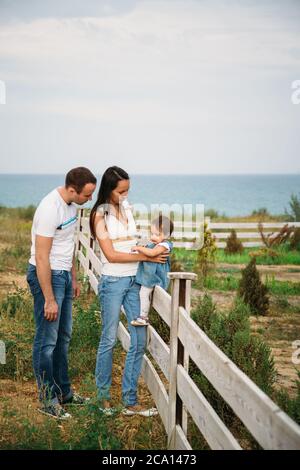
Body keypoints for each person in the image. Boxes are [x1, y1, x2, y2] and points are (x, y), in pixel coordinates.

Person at [90, 166, 168, 417]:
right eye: (121, 191)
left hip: (135, 281)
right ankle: (103, 397)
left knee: (138, 340)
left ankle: (129, 400)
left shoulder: (128, 209)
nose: (125, 195)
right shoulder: (99, 216)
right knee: (109, 339)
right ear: (109, 189)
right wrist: (142, 255)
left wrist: (152, 249)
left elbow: (133, 241)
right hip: (113, 281)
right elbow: (110, 254)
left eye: (127, 190)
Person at [26, 167, 97, 419]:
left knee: (63, 337)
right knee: (46, 342)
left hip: (63, 276)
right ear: (71, 189)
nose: (89, 199)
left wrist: (73, 278)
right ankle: (47, 400)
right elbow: (42, 257)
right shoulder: (50, 208)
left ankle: (64, 393)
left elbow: (68, 244)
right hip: (47, 277)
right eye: (87, 195)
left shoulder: (71, 206)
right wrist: (49, 298)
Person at [130, 215, 173, 326]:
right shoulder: (154, 244)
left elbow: (152, 253)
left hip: (156, 276)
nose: (153, 237)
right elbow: (148, 251)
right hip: (150, 275)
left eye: (157, 234)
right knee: (144, 294)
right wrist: (140, 250)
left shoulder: (164, 245)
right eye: (152, 233)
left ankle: (143, 317)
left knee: (143, 293)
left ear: (167, 235)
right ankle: (145, 315)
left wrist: (139, 248)